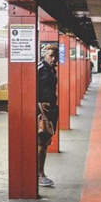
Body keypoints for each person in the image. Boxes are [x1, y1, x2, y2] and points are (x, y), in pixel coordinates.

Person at [37, 44, 59, 187]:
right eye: (51, 56)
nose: (53, 59)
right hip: (41, 110)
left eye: (55, 56)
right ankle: (40, 174)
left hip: (51, 109)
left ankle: (40, 173)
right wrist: (39, 106)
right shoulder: (39, 69)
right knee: (41, 141)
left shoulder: (51, 70)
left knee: (45, 142)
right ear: (44, 54)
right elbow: (32, 88)